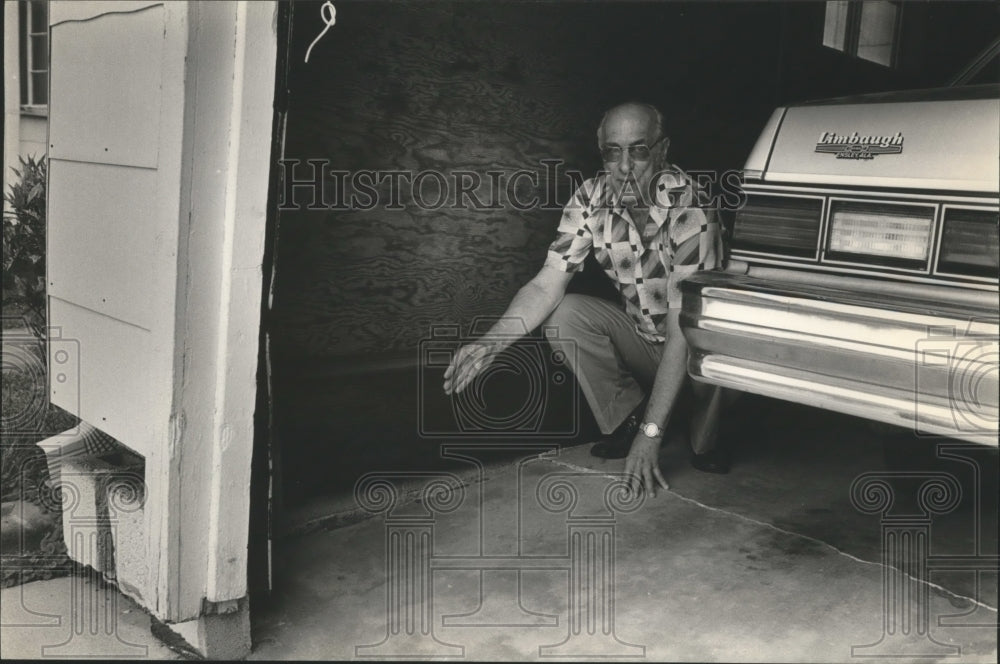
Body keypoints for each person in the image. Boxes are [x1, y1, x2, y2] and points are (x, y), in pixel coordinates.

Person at [443, 101, 731, 497]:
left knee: (706, 436)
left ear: (663, 150)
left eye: (639, 149)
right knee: (566, 313)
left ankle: (701, 429)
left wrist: (652, 435)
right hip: (646, 342)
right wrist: (489, 343)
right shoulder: (589, 199)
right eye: (614, 151)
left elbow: (686, 324)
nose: (626, 166)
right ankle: (629, 417)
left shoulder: (692, 208)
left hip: (699, 347)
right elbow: (546, 285)